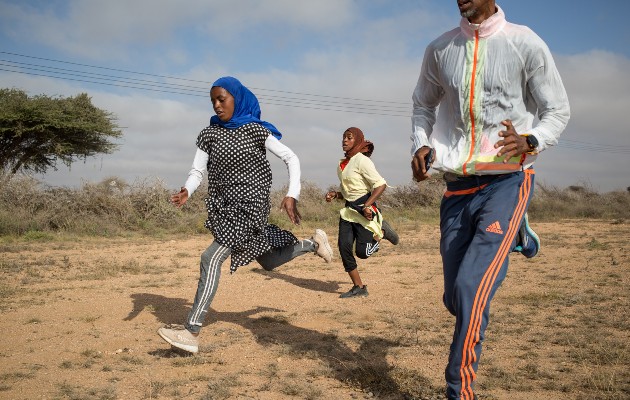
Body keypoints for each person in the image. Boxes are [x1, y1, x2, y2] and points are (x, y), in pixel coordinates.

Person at [410, 1, 570, 399]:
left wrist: (531, 140)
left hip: (507, 181)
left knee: (469, 289)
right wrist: (422, 143)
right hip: (457, 187)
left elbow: (557, 110)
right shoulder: (440, 49)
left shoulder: (525, 42)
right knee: (455, 297)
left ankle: (459, 389)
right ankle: (518, 235)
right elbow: (422, 104)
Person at [158, 76, 334, 354]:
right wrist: (188, 190)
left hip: (250, 206)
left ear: (237, 99)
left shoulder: (255, 130)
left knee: (210, 257)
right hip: (223, 208)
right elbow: (197, 171)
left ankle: (191, 331)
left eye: (222, 99)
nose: (217, 105)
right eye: (213, 100)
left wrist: (292, 194)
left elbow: (292, 158)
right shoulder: (209, 134)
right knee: (268, 260)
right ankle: (313, 244)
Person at [325, 127, 399, 298]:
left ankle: (381, 232)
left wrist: (367, 205)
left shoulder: (362, 161)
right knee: (344, 247)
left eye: (349, 138)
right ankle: (359, 287)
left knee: (362, 253)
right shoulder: (341, 164)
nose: (344, 141)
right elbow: (349, 191)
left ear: (357, 141)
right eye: (343, 137)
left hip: (364, 211)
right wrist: (335, 194)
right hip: (348, 211)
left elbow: (380, 185)